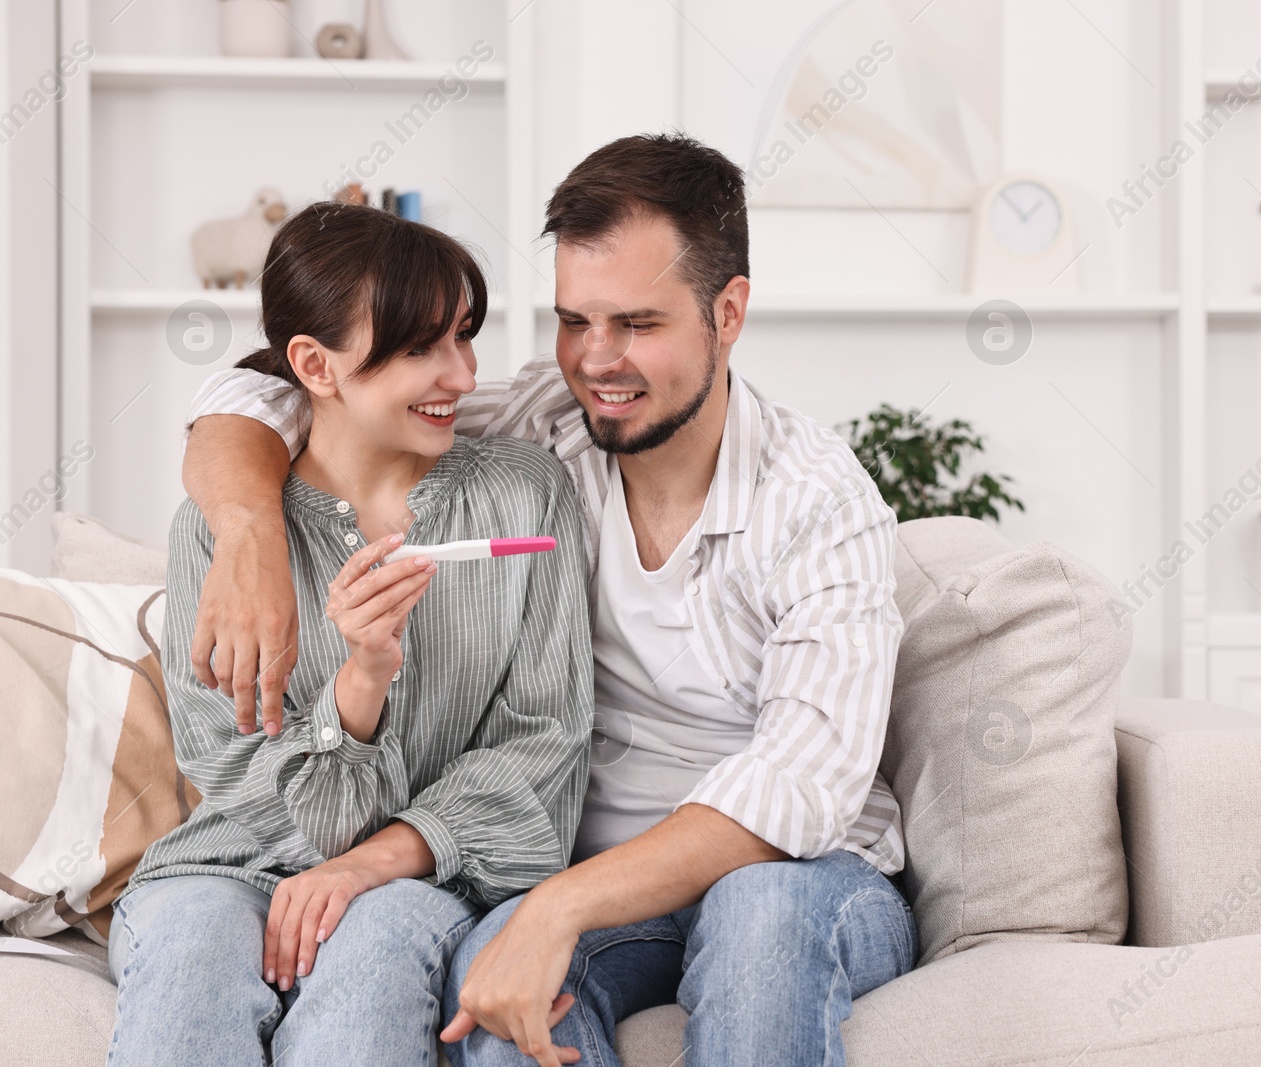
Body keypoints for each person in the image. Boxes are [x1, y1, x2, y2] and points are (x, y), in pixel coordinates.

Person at [180, 132, 916, 1067]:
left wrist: (561, 903)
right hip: (605, 890)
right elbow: (281, 390)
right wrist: (247, 532)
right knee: (491, 973)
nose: (598, 360)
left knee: (756, 911)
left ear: (727, 313)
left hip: (810, 878)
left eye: (639, 324)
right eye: (576, 320)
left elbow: (798, 790)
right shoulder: (546, 427)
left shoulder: (818, 501)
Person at [106, 203, 595, 1067]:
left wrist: (372, 860)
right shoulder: (216, 532)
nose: (459, 374)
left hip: (426, 874)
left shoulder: (527, 496)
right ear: (313, 365)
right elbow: (225, 761)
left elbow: (542, 749)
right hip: (229, 866)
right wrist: (357, 690)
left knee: (377, 949)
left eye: (464, 336)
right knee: (190, 957)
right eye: (419, 348)